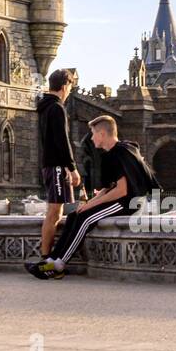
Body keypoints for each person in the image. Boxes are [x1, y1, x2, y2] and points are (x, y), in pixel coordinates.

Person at [26, 115, 159, 279]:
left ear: (102, 134)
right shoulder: (109, 154)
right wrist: (88, 203)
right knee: (75, 215)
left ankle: (59, 264)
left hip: (128, 203)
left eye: (93, 133)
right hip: (119, 199)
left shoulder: (121, 152)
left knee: (86, 218)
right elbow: (106, 189)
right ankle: (52, 258)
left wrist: (89, 207)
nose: (91, 138)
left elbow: (122, 191)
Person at [34, 69, 78, 263]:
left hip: (49, 165)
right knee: (54, 213)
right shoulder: (57, 108)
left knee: (57, 212)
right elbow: (62, 140)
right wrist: (72, 168)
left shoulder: (44, 106)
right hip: (57, 166)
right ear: (64, 86)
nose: (69, 91)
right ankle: (46, 258)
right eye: (70, 86)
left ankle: (48, 257)